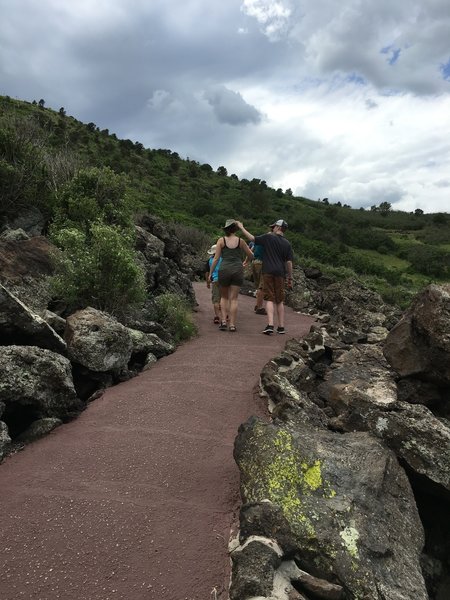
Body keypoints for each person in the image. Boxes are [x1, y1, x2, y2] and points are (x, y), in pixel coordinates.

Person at [236, 219, 293, 335]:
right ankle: (281, 327)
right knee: (280, 300)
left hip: (268, 271)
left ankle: (270, 325)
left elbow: (252, 239)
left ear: (277, 227)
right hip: (280, 273)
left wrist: (242, 228)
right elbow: (289, 262)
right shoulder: (287, 244)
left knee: (270, 299)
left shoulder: (269, 237)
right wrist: (290, 277)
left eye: (274, 227)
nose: (272, 229)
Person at [208, 219, 254, 332]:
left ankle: (223, 322)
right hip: (237, 269)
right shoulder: (241, 241)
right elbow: (251, 255)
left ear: (226, 230)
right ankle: (232, 324)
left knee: (224, 297)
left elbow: (216, 258)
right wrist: (245, 261)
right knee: (234, 299)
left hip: (224, 269)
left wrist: (210, 274)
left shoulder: (221, 241)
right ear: (235, 229)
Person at [205, 244, 222, 324]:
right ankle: (226, 315)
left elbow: (207, 272)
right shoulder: (224, 259)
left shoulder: (210, 260)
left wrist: (208, 282)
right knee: (224, 298)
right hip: (224, 280)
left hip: (215, 280)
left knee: (216, 299)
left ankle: (217, 317)